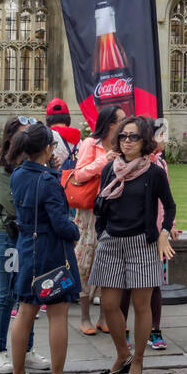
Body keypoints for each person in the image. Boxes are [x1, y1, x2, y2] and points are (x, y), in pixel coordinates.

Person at [93, 116, 178, 374]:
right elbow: (101, 203)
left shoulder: (153, 172)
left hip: (142, 242)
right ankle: (122, 354)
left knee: (142, 306)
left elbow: (170, 205)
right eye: (123, 136)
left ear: (145, 142)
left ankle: (137, 360)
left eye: (133, 137)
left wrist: (164, 233)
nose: (127, 142)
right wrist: (101, 232)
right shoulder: (110, 169)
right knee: (109, 304)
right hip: (111, 242)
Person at [6, 122, 82, 374]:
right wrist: (76, 231)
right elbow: (61, 223)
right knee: (58, 312)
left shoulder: (18, 174)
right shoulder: (49, 180)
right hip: (51, 250)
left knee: (26, 309)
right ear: (48, 148)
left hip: (27, 247)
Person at [0, 116, 48, 374]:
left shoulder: (33, 167)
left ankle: (26, 349)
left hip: (29, 236)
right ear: (11, 138)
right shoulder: (2, 170)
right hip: (10, 236)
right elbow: (13, 205)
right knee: (7, 294)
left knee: (28, 293)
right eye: (24, 134)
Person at [69, 104, 123, 335]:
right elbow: (78, 174)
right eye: (121, 119)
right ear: (111, 123)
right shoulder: (92, 143)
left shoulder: (124, 144)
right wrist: (105, 160)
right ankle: (84, 317)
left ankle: (103, 317)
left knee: (108, 261)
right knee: (85, 261)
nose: (126, 122)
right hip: (90, 211)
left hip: (114, 209)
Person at [46, 98, 81, 170]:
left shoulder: (48, 136)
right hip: (74, 179)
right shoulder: (79, 139)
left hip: (54, 178)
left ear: (48, 119)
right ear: (68, 118)